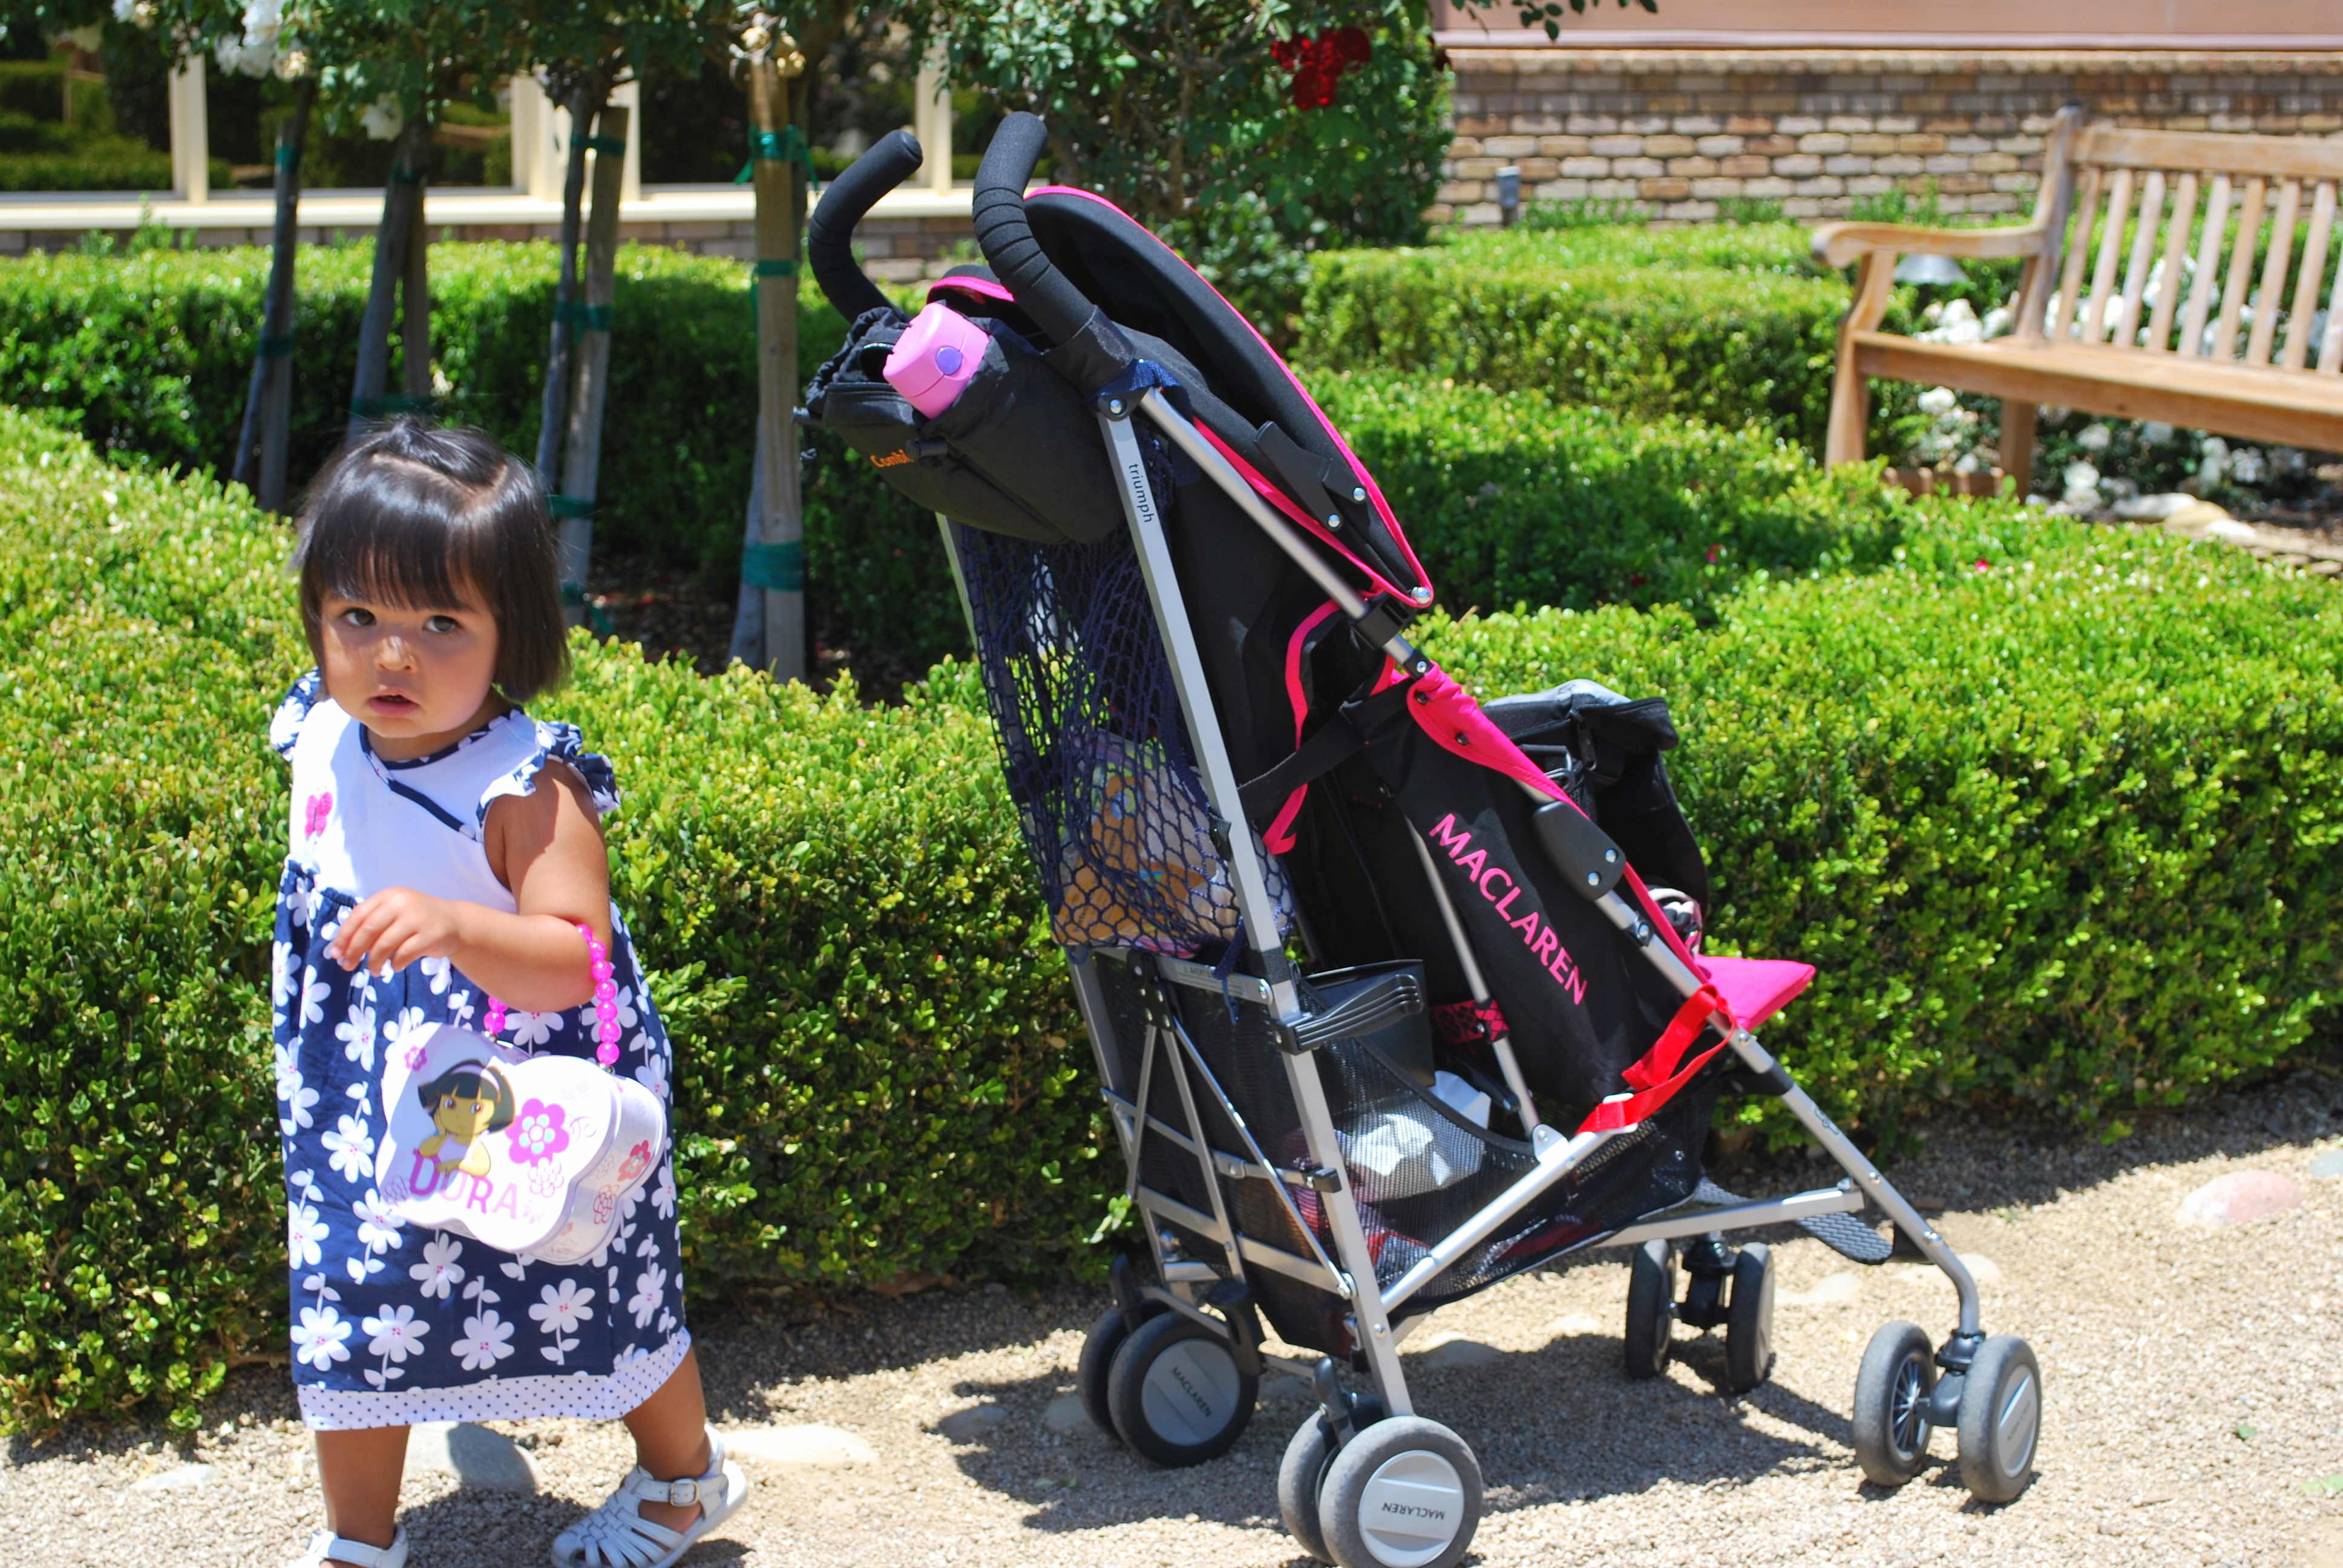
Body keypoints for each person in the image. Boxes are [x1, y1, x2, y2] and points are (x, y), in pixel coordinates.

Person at [269, 419, 744, 1568]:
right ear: (317, 615)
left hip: (527, 1081)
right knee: (356, 1294)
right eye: (358, 616)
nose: (393, 656)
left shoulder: (526, 786)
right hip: (363, 1087)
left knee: (599, 1277)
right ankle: (357, 1541)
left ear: (512, 633)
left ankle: (685, 1480)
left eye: (442, 623)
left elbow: (575, 954)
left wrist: (453, 926)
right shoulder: (322, 733)